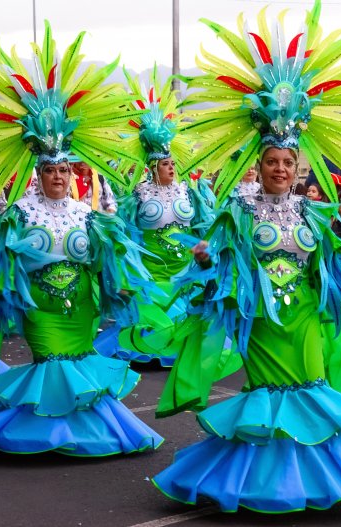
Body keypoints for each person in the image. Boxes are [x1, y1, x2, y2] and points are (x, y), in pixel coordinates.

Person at [149, 2, 341, 513]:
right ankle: (271, 481)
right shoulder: (239, 211)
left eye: (287, 162)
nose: (279, 168)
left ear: (297, 166)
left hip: (306, 316)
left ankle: (320, 477)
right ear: (260, 163)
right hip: (262, 321)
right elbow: (217, 263)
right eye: (271, 161)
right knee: (271, 395)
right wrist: (204, 259)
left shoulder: (313, 213)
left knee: (311, 387)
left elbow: (339, 260)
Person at [0, 22, 163, 456]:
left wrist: (116, 281)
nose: (58, 177)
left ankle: (86, 433)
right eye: (51, 170)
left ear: (72, 174)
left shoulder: (87, 213)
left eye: (64, 170)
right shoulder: (19, 213)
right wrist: (6, 291)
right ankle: (46, 432)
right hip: (40, 305)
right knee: (51, 362)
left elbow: (105, 261)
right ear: (39, 174)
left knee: (81, 364)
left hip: (80, 303)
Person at [94, 66, 221, 366]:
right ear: (152, 167)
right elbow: (123, 234)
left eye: (172, 163)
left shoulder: (190, 191)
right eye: (165, 164)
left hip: (185, 271)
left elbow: (206, 224)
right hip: (151, 272)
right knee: (151, 327)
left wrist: (205, 250)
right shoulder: (138, 194)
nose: (171, 168)